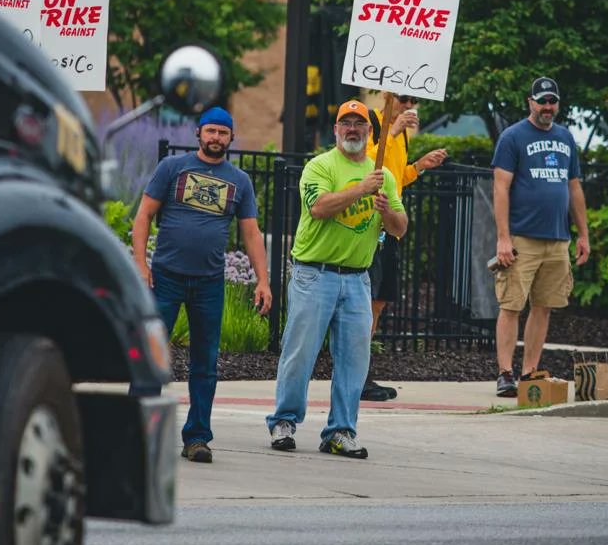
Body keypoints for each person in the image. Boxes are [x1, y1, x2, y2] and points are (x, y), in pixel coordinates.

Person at [266, 99, 408, 460]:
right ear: (335, 130)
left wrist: (386, 210)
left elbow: (400, 229)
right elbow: (320, 207)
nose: (352, 129)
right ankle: (283, 422)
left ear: (370, 132)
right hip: (314, 274)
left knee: (354, 360)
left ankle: (341, 431)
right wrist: (362, 190)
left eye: (360, 124)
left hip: (358, 279)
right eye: (346, 123)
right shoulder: (320, 166)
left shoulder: (385, 177)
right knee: (299, 354)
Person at [132, 107, 272, 464]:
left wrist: (263, 279)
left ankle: (197, 438)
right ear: (198, 134)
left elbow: (251, 232)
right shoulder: (172, 169)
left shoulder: (239, 181)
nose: (215, 138)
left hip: (209, 283)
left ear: (231, 138)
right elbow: (144, 214)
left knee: (205, 364)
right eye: (210, 131)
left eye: (222, 133)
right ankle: (136, 432)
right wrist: (139, 264)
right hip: (165, 278)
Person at [490, 76, 591, 397]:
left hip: (558, 238)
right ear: (529, 102)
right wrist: (503, 238)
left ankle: (529, 372)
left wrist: (583, 234)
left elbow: (574, 187)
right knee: (511, 305)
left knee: (544, 306)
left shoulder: (565, 138)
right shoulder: (512, 137)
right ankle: (505, 373)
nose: (547, 107)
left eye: (552, 101)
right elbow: (501, 187)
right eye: (542, 101)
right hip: (522, 238)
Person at [361, 91, 449, 401]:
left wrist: (420, 166)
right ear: (387, 96)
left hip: (389, 225)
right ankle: (356, 375)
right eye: (403, 99)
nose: (409, 106)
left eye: (413, 102)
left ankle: (362, 372)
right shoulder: (371, 122)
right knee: (364, 302)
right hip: (366, 225)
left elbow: (395, 178)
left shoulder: (402, 135)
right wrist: (393, 130)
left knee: (378, 303)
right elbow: (364, 166)